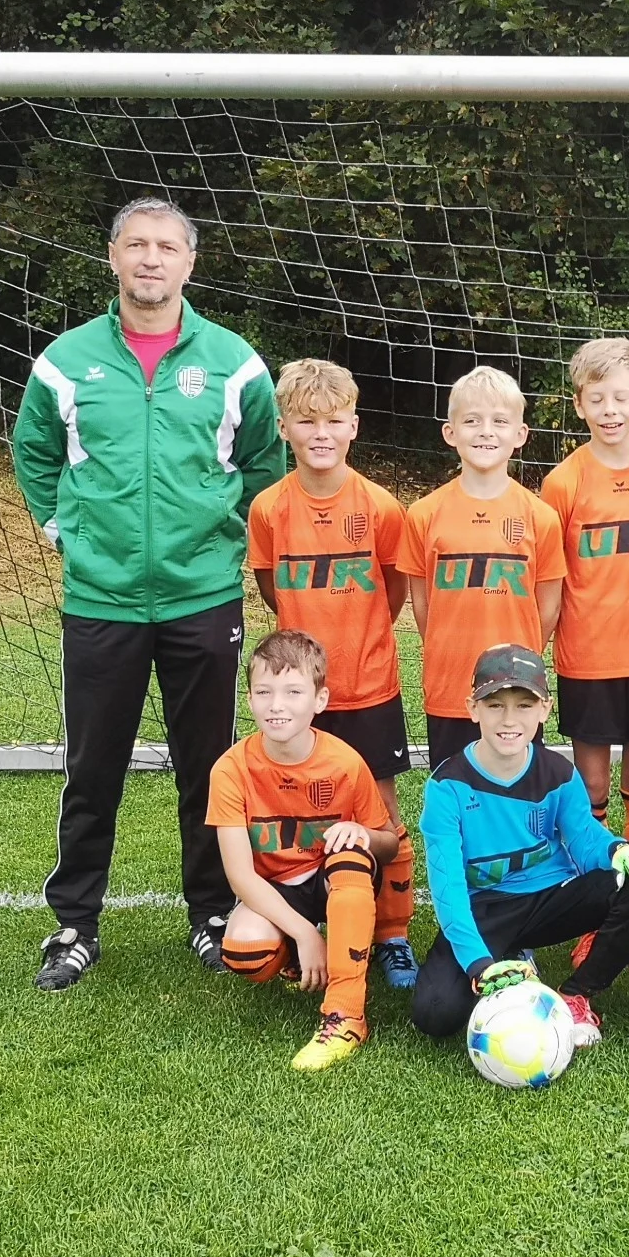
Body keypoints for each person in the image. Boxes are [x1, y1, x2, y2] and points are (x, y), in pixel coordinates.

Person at [12, 196, 284, 992]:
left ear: (190, 262)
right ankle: (75, 924)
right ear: (114, 256)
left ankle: (212, 913)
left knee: (209, 767)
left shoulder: (234, 362)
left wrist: (223, 536)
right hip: (101, 599)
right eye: (137, 245)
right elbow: (33, 453)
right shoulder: (65, 362)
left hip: (203, 596)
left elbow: (264, 467)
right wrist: (65, 530)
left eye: (167, 246)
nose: (151, 259)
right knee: (92, 767)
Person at [246, 357, 421, 991]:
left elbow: (393, 591)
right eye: (305, 421)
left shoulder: (380, 507)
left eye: (333, 420)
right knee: (305, 804)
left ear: (354, 425)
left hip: (369, 684)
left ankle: (393, 934)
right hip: (299, 695)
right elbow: (273, 588)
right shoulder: (269, 509)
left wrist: (357, 642)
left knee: (382, 813)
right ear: (283, 428)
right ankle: (313, 918)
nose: (320, 433)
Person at [409, 645, 629, 1049]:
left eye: (524, 705)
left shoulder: (558, 773)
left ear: (545, 709)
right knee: (435, 1013)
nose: (509, 719)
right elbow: (449, 889)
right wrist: (478, 966)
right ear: (473, 709)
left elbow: (584, 839)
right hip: (486, 908)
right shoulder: (447, 787)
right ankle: (505, 957)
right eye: (495, 705)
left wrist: (619, 850)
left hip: (552, 897)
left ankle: (577, 995)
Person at [541, 337, 629, 978]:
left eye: (622, 397)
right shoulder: (563, 483)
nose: (611, 410)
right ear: (580, 404)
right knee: (589, 791)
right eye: (598, 399)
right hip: (587, 657)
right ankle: (596, 918)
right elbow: (550, 575)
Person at [209, 631, 398, 1072]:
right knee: (246, 953)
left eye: (293, 692)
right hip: (277, 887)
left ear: (319, 699)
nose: (277, 705)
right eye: (264, 692)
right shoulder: (231, 769)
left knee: (350, 855)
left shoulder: (345, 762)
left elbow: (388, 843)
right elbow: (240, 876)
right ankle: (299, 958)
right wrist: (304, 934)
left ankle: (346, 1014)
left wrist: (362, 833)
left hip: (335, 881)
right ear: (250, 699)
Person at [397, 367, 568, 772]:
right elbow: (422, 606)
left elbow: (548, 608)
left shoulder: (541, 517)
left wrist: (517, 660)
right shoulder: (423, 514)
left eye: (499, 422)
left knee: (516, 791)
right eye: (472, 421)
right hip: (449, 687)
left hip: (516, 689)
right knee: (455, 789)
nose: (486, 432)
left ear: (520, 435)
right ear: (450, 432)